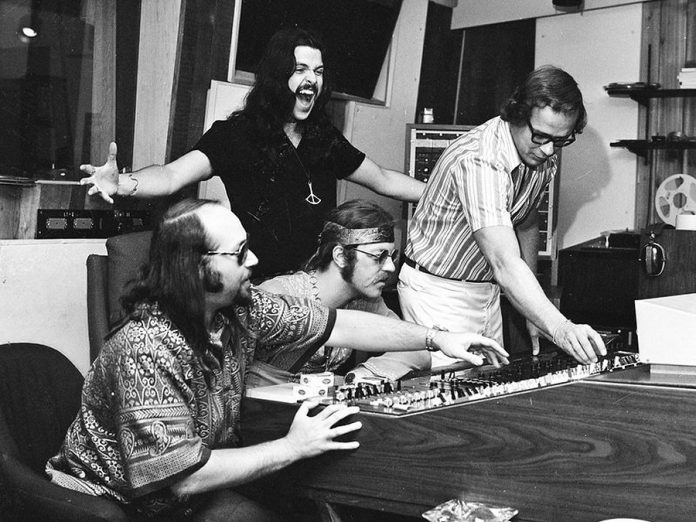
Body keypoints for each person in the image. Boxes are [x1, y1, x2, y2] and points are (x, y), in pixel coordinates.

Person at [46, 198, 507, 520]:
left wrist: (436, 338)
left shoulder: (239, 311)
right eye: (240, 252)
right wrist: (292, 446)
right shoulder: (146, 348)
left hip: (184, 492)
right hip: (115, 503)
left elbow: (336, 324)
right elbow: (180, 477)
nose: (255, 259)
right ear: (196, 267)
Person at [79, 27, 424, 279]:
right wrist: (123, 183)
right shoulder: (235, 136)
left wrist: (440, 192)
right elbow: (171, 176)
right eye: (300, 69)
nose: (312, 80)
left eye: (318, 72)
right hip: (259, 286)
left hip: (317, 285)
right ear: (277, 76)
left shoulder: (324, 138)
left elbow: (382, 178)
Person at [399, 65, 607, 368]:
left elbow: (526, 219)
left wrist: (535, 311)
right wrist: (560, 328)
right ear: (516, 115)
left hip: (487, 290)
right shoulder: (480, 159)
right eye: (541, 136)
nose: (549, 150)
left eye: (561, 140)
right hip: (437, 292)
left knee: (487, 389)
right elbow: (504, 261)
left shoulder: (541, 155)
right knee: (451, 397)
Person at [249, 199, 432, 387]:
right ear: (340, 256)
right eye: (379, 257)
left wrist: (363, 375)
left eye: (391, 256)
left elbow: (417, 350)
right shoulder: (278, 294)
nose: (390, 267)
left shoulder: (366, 303)